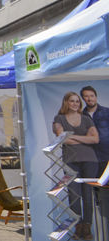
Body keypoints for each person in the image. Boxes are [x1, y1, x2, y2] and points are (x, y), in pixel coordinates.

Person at [53, 91, 100, 240]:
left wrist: (72, 136)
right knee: (73, 195)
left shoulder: (86, 119)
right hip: (71, 160)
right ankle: (77, 226)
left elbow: (95, 139)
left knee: (87, 196)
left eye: (77, 101)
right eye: (72, 101)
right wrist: (84, 138)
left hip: (90, 160)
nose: (75, 104)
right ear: (66, 102)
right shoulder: (59, 118)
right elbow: (62, 139)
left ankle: (87, 229)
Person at [81, 86, 109, 175]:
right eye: (86, 96)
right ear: (83, 99)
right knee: (93, 185)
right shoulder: (80, 116)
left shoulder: (107, 112)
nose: (89, 99)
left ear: (96, 97)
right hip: (90, 157)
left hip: (106, 155)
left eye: (92, 96)